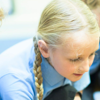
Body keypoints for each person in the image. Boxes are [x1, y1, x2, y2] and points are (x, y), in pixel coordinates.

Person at [0, 0, 100, 100]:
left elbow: (77, 91)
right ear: (44, 49)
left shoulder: (80, 52)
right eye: (75, 59)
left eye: (92, 54)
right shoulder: (15, 84)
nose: (86, 68)